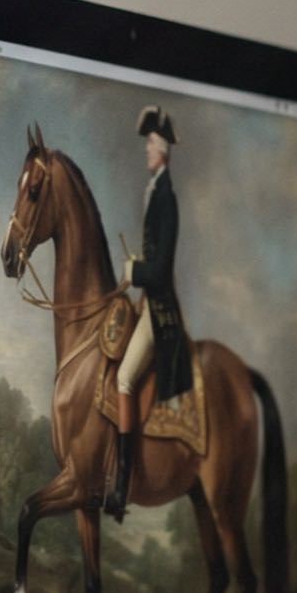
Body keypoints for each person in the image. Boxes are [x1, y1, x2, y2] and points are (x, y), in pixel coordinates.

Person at [104, 103, 192, 521]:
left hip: (161, 312)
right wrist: (139, 262)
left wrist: (133, 269)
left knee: (123, 378)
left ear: (161, 149)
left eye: (150, 145)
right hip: (148, 302)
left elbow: (161, 269)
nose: (145, 151)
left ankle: (121, 486)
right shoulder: (156, 190)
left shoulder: (167, 197)